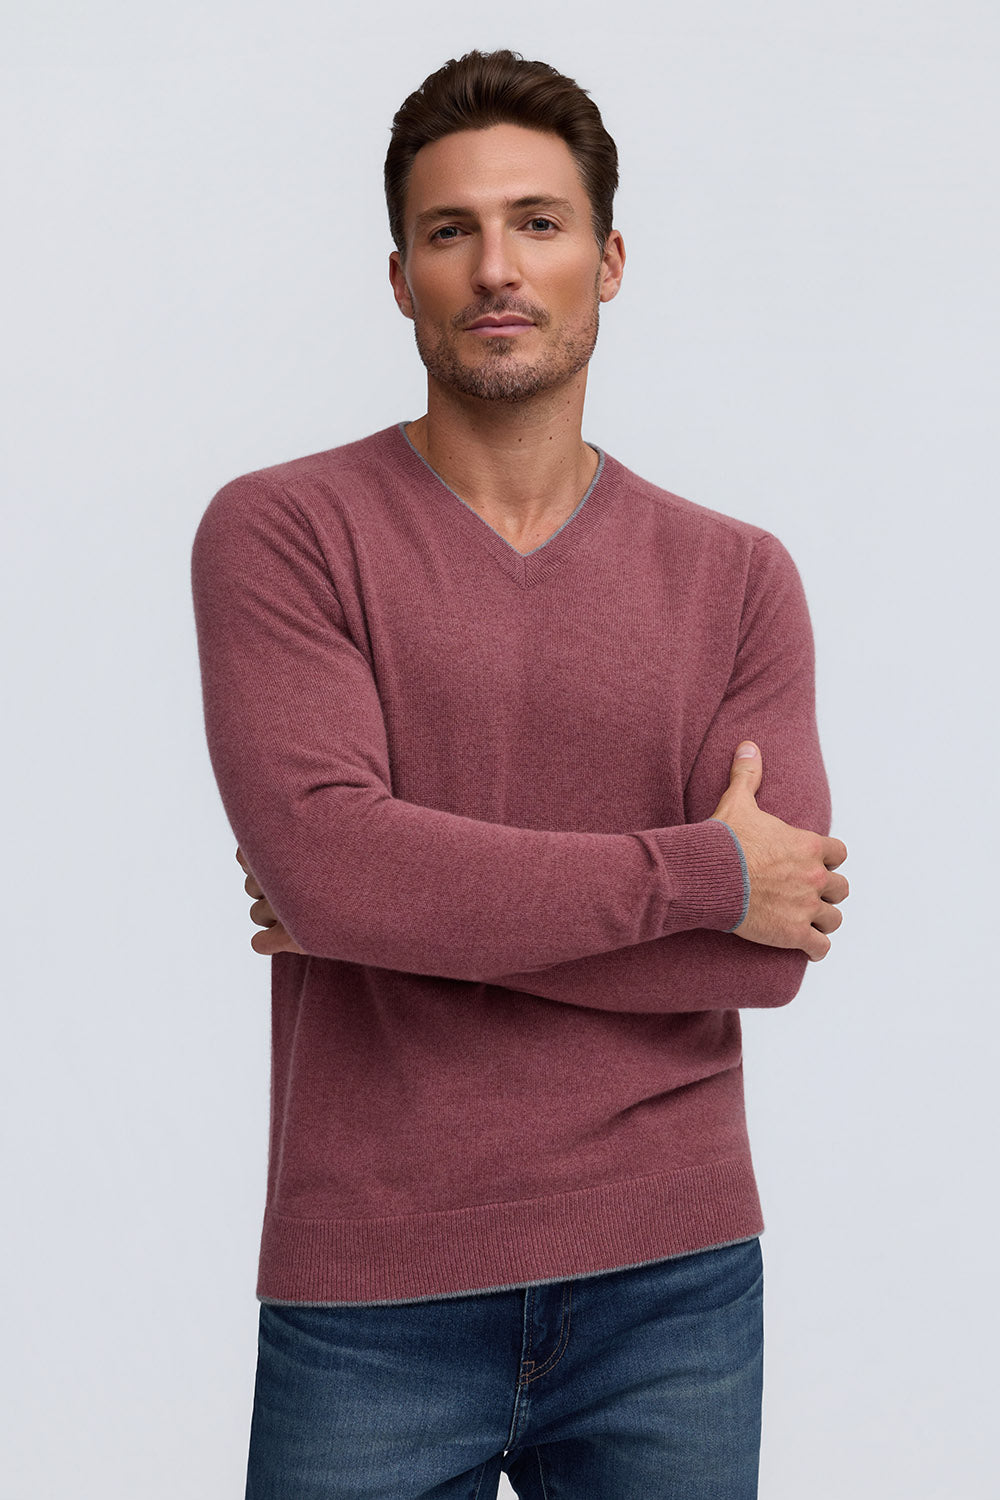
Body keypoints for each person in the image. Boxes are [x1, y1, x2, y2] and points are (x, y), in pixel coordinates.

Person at [191, 47, 848, 1500]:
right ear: (400, 276)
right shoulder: (283, 532)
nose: (497, 266)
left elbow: (768, 955)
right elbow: (335, 875)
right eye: (452, 230)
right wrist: (705, 874)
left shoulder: (739, 577)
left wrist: (401, 905)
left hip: (673, 1283)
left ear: (607, 261)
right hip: (373, 1289)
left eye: (538, 223)